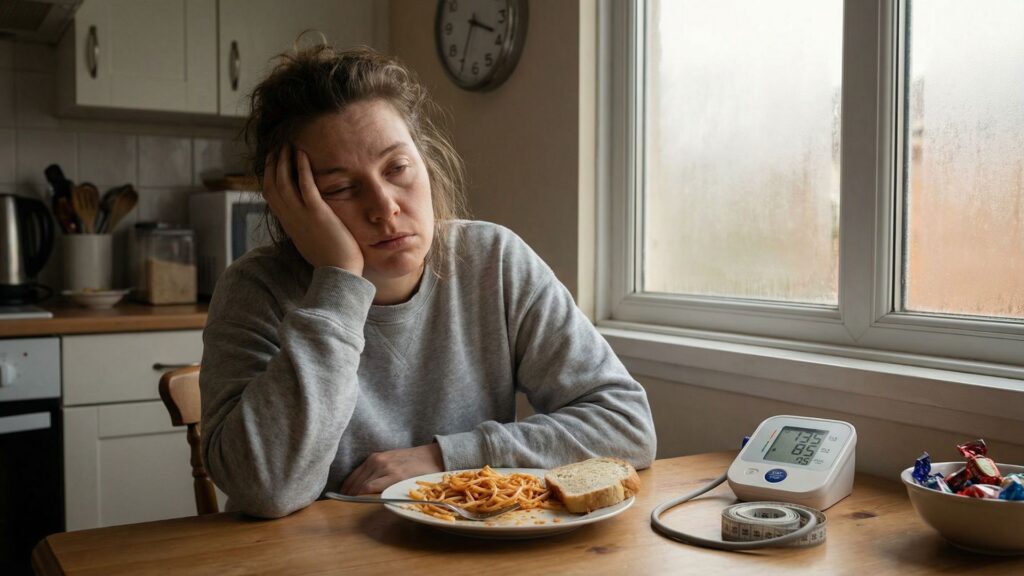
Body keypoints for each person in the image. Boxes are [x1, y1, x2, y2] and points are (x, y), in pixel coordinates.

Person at [199, 44, 657, 519]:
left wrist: (444, 458)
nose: (384, 206)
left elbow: (627, 425)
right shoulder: (255, 290)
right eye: (339, 188)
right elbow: (265, 489)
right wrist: (337, 284)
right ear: (294, 203)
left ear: (425, 159)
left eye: (397, 168)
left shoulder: (493, 261)